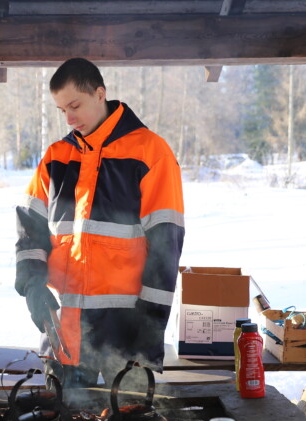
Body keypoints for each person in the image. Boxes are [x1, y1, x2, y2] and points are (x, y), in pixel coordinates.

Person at [15, 58, 185, 390]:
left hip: (125, 337)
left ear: (99, 93)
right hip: (64, 334)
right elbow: (29, 226)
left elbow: (166, 246)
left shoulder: (151, 153)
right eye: (62, 110)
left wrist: (147, 333)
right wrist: (33, 285)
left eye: (75, 105)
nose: (69, 117)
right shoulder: (56, 157)